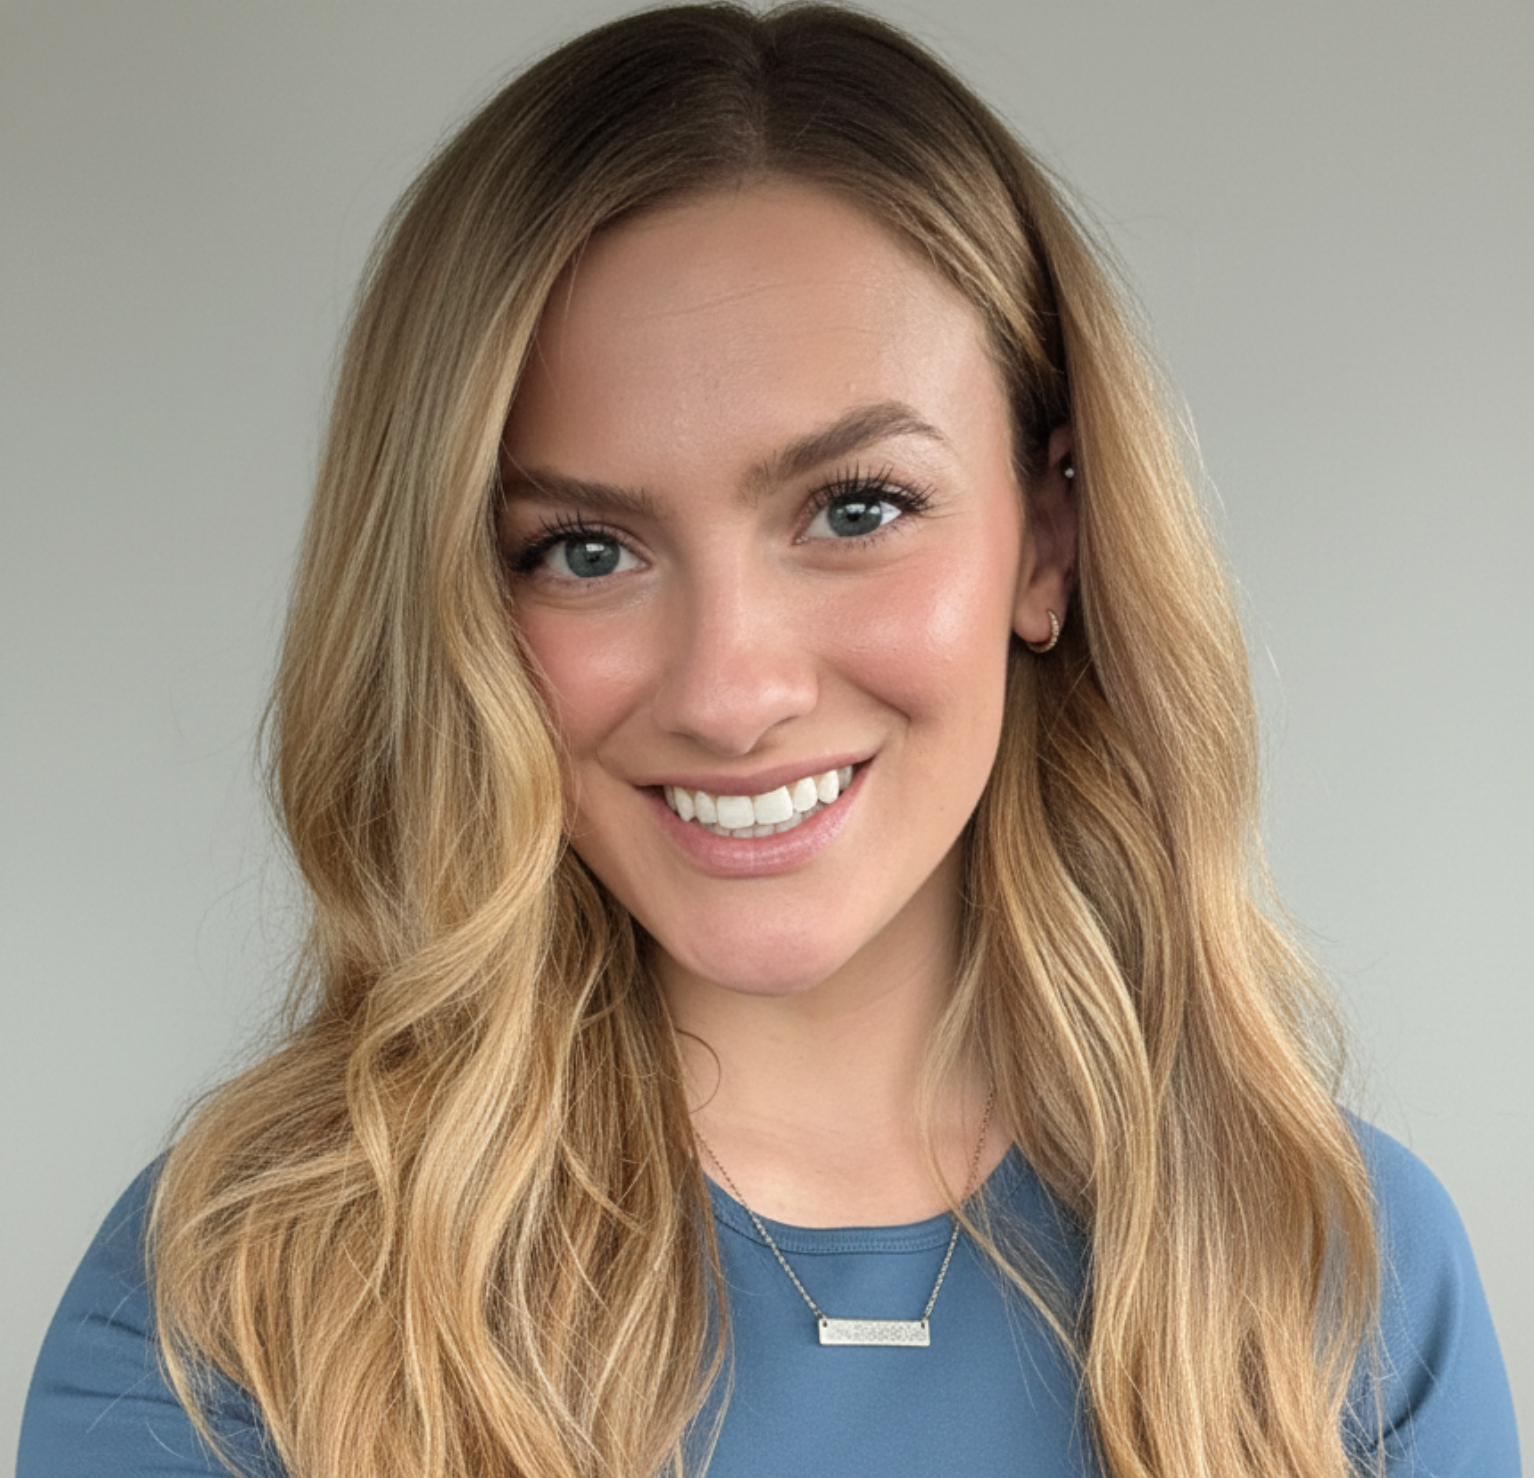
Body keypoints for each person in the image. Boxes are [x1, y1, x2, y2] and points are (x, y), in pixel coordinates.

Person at [18, 5, 1519, 1476]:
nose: (731, 692)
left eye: (855, 509)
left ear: (1047, 536)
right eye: (584, 549)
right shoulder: (239, 1312)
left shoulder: (1335, 1278)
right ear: (456, 600)